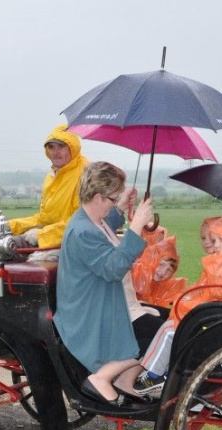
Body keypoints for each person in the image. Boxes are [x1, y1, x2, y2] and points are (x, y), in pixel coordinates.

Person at [135, 204, 222, 396]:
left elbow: (215, 292)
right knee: (172, 323)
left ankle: (153, 375)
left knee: (169, 330)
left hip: (220, 319)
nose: (214, 246)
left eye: (218, 240)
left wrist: (188, 303)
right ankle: (160, 371)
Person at [54, 161, 154, 404]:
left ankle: (123, 381)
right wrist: (137, 225)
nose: (115, 201)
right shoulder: (83, 231)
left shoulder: (89, 220)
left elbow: (104, 231)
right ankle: (101, 378)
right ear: (98, 197)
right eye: (113, 197)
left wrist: (119, 208)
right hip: (88, 314)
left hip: (97, 302)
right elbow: (112, 269)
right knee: (157, 335)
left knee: (160, 325)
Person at [9, 125, 89, 250]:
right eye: (51, 147)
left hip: (77, 246)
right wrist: (12, 226)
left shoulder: (86, 174)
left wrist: (43, 235)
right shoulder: (52, 177)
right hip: (55, 241)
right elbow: (44, 219)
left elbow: (83, 222)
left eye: (61, 147)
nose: (55, 153)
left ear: (72, 148)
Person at [131, 232, 188, 309]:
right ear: (151, 261)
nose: (163, 272)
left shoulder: (161, 285)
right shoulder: (135, 273)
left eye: (169, 270)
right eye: (161, 265)